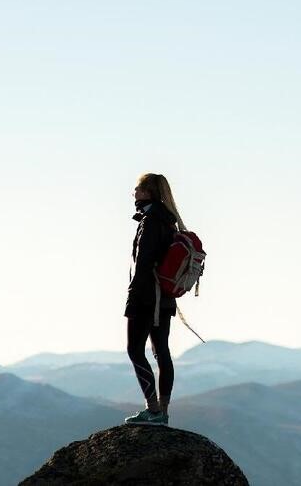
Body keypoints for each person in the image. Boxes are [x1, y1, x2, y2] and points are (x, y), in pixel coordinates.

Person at [122, 173, 187, 426]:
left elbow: (143, 263)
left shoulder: (150, 221)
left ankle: (153, 409)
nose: (134, 193)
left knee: (135, 350)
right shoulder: (169, 221)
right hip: (166, 298)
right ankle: (164, 411)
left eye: (138, 189)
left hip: (147, 298)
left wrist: (132, 297)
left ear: (148, 192)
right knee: (162, 352)